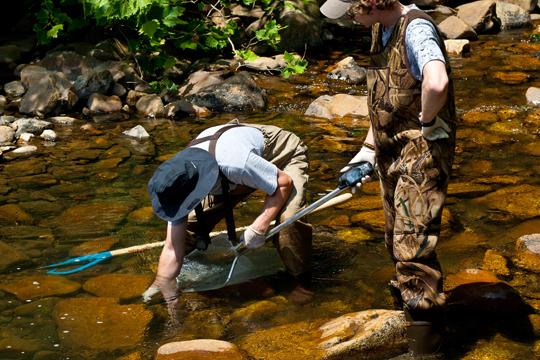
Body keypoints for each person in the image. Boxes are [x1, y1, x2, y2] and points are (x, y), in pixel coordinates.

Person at [320, 0, 457, 358]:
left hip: (422, 153)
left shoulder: (416, 29)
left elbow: (437, 80)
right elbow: (385, 99)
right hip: (389, 152)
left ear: (367, 2)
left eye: (351, 10)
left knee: (412, 245)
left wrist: (427, 122)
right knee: (394, 235)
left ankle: (426, 348)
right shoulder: (381, 30)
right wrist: (366, 152)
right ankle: (410, 319)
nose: (351, 18)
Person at [142, 119, 314, 311]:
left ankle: (303, 283)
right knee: (190, 227)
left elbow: (283, 182)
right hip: (234, 171)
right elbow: (172, 247)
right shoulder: (178, 181)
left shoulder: (235, 164)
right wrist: (161, 283)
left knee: (288, 220)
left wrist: (260, 224)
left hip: (280, 154)